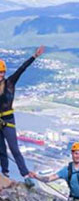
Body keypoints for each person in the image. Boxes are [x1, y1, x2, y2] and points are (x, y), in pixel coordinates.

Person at [0, 46, 45, 185]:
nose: (0, 74)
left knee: (14, 149)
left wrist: (34, 56)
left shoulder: (10, 83)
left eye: (2, 72)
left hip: (8, 119)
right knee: (1, 149)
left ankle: (25, 174)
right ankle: (5, 172)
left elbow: (21, 69)